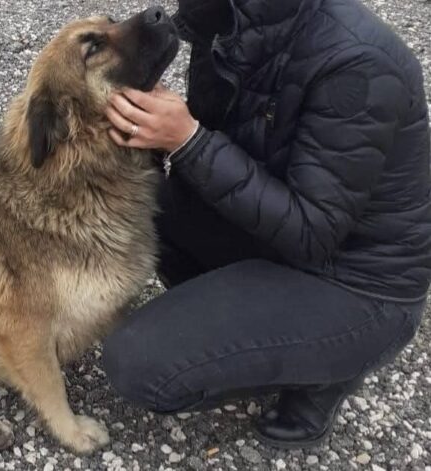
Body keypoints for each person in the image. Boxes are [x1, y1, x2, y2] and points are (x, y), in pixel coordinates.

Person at [101, 0, 430, 449]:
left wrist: (187, 140)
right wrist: (147, 130)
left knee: (138, 363)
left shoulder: (359, 64)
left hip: (359, 281)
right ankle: (254, 330)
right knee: (151, 202)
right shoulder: (221, 18)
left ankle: (324, 374)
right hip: (276, 229)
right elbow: (220, 141)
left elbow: (313, 233)